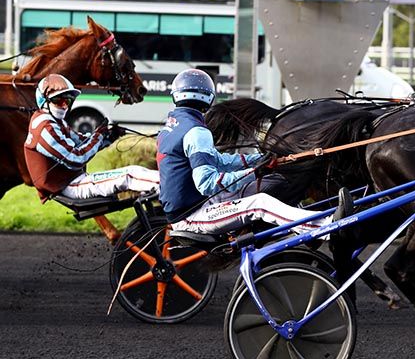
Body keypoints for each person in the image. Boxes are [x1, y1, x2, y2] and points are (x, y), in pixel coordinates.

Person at [156, 68, 351, 235]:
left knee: (261, 191)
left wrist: (258, 159)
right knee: (260, 203)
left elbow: (218, 160)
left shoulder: (172, 126)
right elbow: (207, 183)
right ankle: (327, 227)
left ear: (176, 94)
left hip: (190, 207)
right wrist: (253, 173)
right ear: (209, 97)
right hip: (192, 216)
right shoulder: (197, 131)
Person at [24, 73, 160, 202]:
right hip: (69, 186)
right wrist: (98, 136)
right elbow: (75, 158)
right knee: (130, 175)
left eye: (68, 100)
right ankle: (174, 189)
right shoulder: (45, 128)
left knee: (134, 171)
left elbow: (81, 141)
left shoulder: (53, 121)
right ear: (44, 101)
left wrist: (108, 137)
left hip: (70, 181)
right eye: (58, 100)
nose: (64, 105)